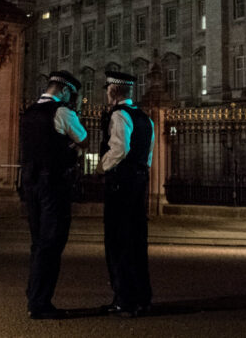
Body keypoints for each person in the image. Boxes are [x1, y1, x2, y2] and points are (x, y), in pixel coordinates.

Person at [19, 70, 88, 320]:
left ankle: (33, 293)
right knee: (52, 241)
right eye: (73, 94)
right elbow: (83, 139)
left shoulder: (29, 112)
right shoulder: (62, 112)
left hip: (30, 181)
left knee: (38, 241)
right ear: (66, 90)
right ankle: (40, 302)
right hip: (53, 183)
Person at [99, 70, 154, 318]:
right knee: (137, 241)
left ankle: (124, 298)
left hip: (121, 182)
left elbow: (119, 148)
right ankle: (142, 297)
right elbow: (149, 155)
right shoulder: (145, 117)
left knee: (118, 241)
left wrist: (101, 167)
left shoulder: (119, 115)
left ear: (112, 91)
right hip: (139, 181)